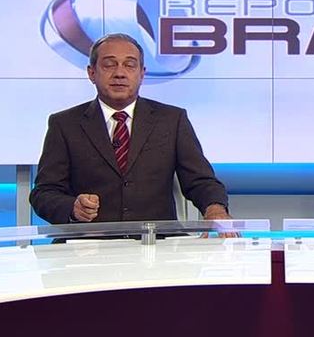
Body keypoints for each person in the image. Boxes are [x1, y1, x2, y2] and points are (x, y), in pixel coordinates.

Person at [29, 33, 232, 229]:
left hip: (156, 242)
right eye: (109, 64)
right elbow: (44, 193)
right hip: (88, 243)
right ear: (91, 73)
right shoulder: (64, 124)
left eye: (129, 65)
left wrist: (215, 209)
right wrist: (72, 208)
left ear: (142, 73)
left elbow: (200, 181)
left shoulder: (171, 120)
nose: (119, 73)